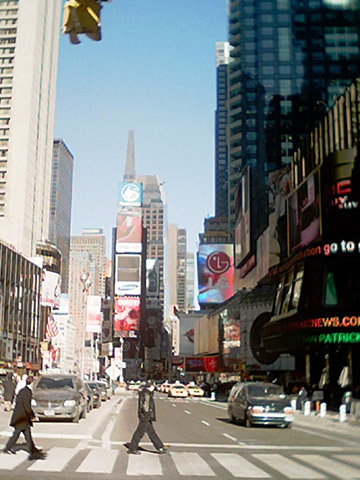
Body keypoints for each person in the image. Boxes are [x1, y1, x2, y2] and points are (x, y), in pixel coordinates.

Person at [3, 376, 46, 460]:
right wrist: (32, 416)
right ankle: (8, 448)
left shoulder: (22, 391)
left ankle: (32, 449)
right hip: (22, 418)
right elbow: (27, 406)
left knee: (26, 434)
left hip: (20, 417)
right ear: (32, 383)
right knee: (19, 434)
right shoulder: (27, 392)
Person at [127, 379, 167, 455]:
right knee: (139, 433)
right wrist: (147, 415)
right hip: (145, 417)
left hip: (145, 416)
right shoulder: (146, 394)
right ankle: (132, 448)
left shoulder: (146, 392)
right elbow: (145, 406)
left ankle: (160, 446)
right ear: (152, 385)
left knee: (151, 432)